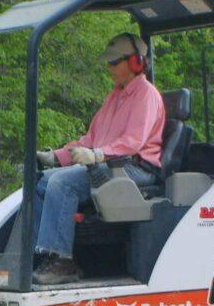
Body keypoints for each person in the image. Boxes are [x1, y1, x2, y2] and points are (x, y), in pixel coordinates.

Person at [31, 32, 165, 285]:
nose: (109, 67)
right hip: (108, 163)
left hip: (134, 168)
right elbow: (92, 137)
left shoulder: (146, 95)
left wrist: (97, 155)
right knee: (42, 181)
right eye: (109, 62)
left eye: (115, 62)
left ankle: (63, 261)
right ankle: (43, 254)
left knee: (63, 184)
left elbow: (133, 143)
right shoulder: (115, 96)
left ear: (136, 62)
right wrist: (56, 157)